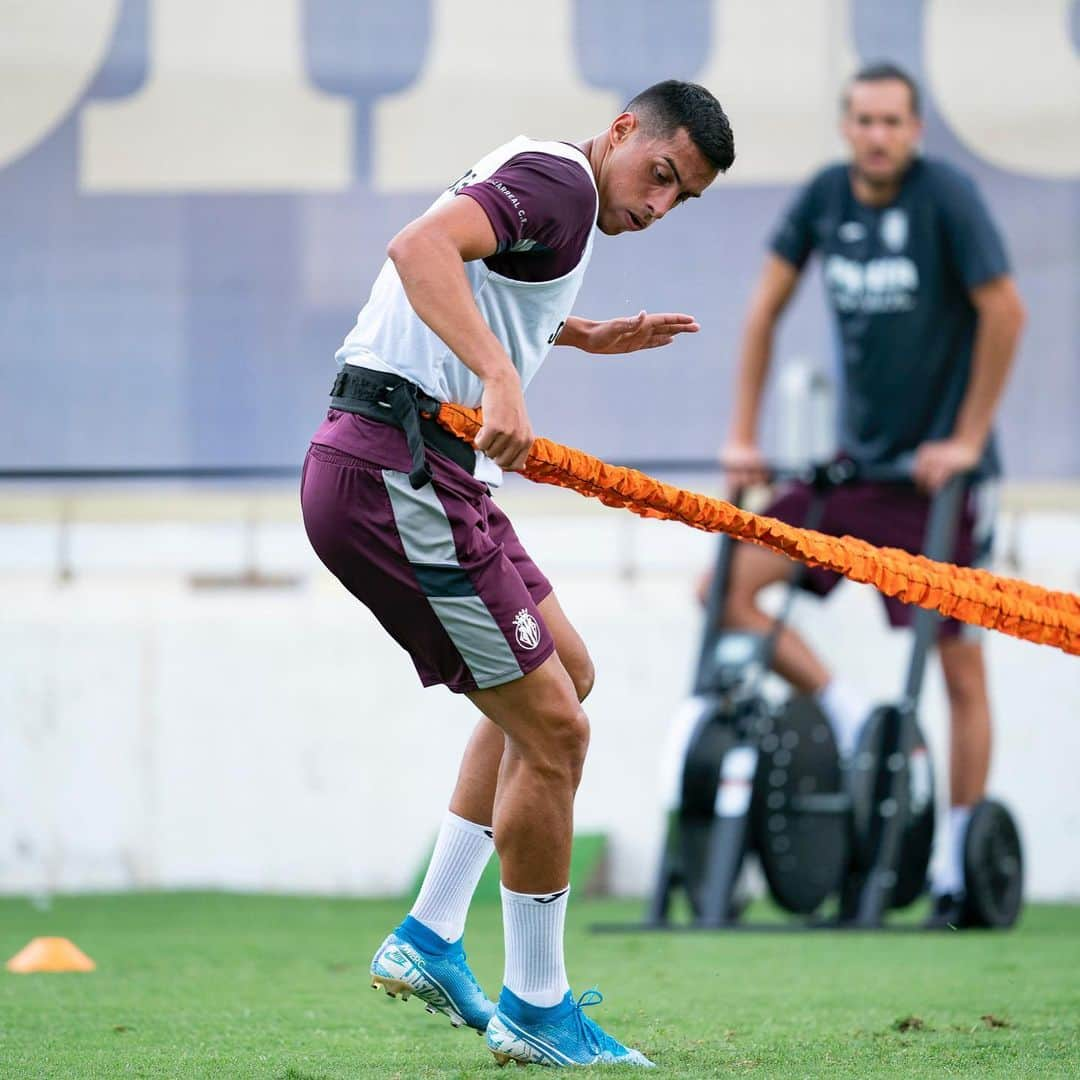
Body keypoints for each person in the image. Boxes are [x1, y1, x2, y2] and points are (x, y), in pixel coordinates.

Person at [301, 81, 734, 1067]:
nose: (660, 206)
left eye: (684, 199)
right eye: (661, 174)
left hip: (420, 468)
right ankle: (535, 1005)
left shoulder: (550, 182)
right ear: (622, 130)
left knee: (565, 677)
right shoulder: (565, 184)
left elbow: (484, 266)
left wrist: (572, 332)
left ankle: (429, 935)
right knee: (555, 729)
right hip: (397, 469)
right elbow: (418, 251)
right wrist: (502, 374)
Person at [712, 62, 1024, 927]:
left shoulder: (947, 199)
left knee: (958, 658)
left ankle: (960, 865)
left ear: (915, 131)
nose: (878, 135)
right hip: (857, 470)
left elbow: (1006, 313)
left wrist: (963, 439)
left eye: (893, 121)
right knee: (726, 590)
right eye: (864, 120)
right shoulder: (823, 198)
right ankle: (854, 722)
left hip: (938, 480)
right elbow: (761, 309)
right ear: (847, 127)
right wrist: (744, 436)